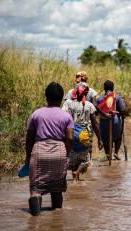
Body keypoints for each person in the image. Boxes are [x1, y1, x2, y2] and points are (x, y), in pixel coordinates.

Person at [26, 82, 74, 216]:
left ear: (46, 97)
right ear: (61, 98)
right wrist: (66, 153)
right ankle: (57, 218)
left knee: (36, 188)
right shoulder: (67, 116)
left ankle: (35, 221)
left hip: (39, 152)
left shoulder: (36, 114)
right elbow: (70, 138)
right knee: (57, 188)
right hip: (59, 152)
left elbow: (29, 138)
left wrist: (27, 156)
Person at [62, 82, 101, 182]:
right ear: (86, 93)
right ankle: (77, 173)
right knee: (85, 159)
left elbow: (62, 118)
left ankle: (75, 179)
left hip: (71, 133)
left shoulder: (68, 103)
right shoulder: (89, 105)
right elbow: (95, 123)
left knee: (73, 156)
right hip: (84, 135)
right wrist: (100, 138)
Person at [65, 71, 98, 161]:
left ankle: (75, 163)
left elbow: (66, 107)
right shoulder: (92, 92)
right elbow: (94, 107)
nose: (76, 78)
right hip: (86, 125)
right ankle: (86, 162)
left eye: (78, 76)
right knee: (86, 146)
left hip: (72, 126)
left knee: (73, 148)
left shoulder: (71, 92)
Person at [97, 80, 126, 161]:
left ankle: (108, 156)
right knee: (118, 136)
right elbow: (122, 109)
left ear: (104, 88)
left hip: (103, 122)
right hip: (115, 121)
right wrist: (123, 115)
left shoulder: (100, 98)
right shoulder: (117, 97)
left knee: (106, 139)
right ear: (113, 88)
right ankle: (116, 153)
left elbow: (96, 111)